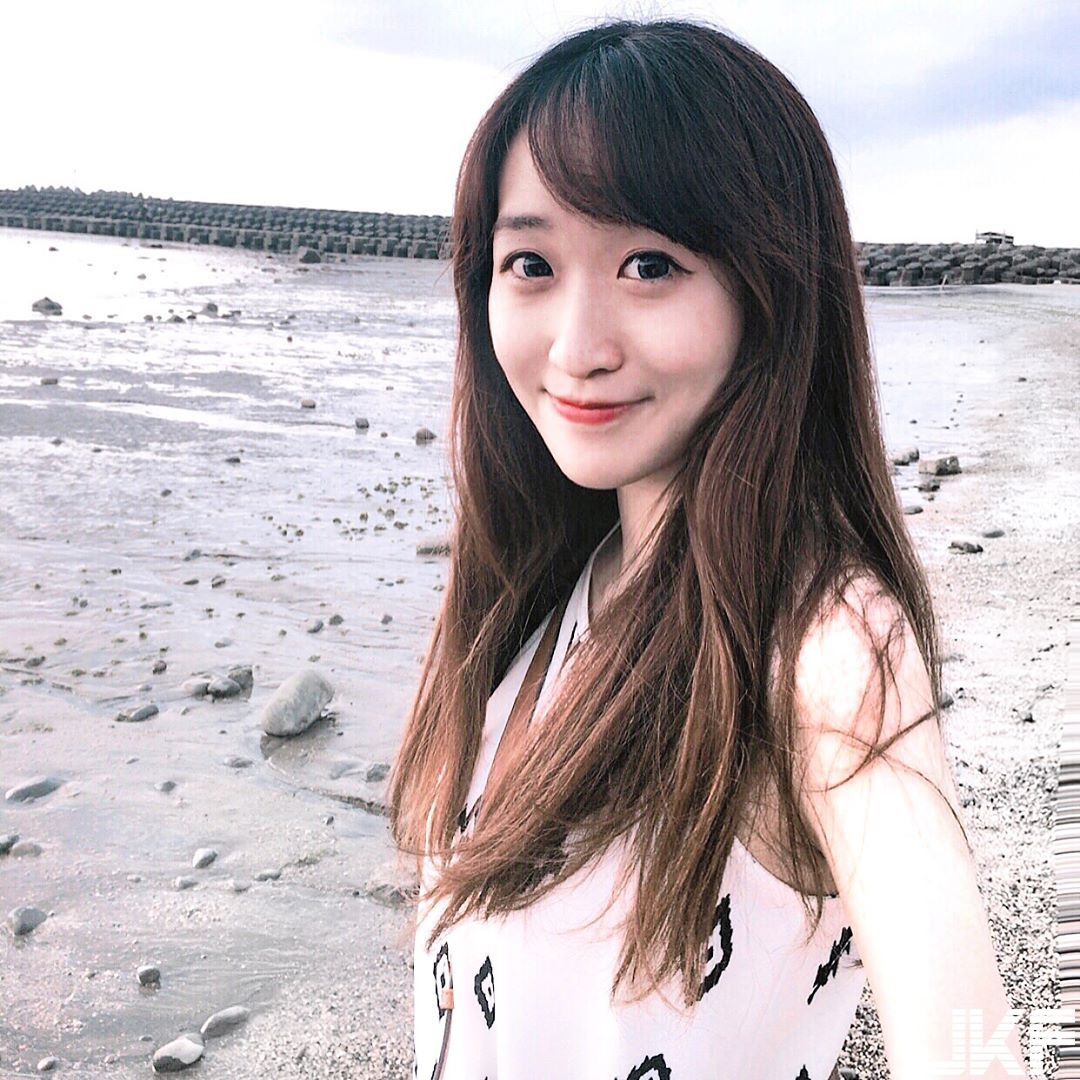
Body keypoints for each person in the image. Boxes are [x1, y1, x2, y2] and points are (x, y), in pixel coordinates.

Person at [389, 19, 1025, 1080]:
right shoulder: (542, 594)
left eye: (649, 265)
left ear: (768, 292)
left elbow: (972, 1045)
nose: (578, 348)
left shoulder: (824, 647)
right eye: (531, 263)